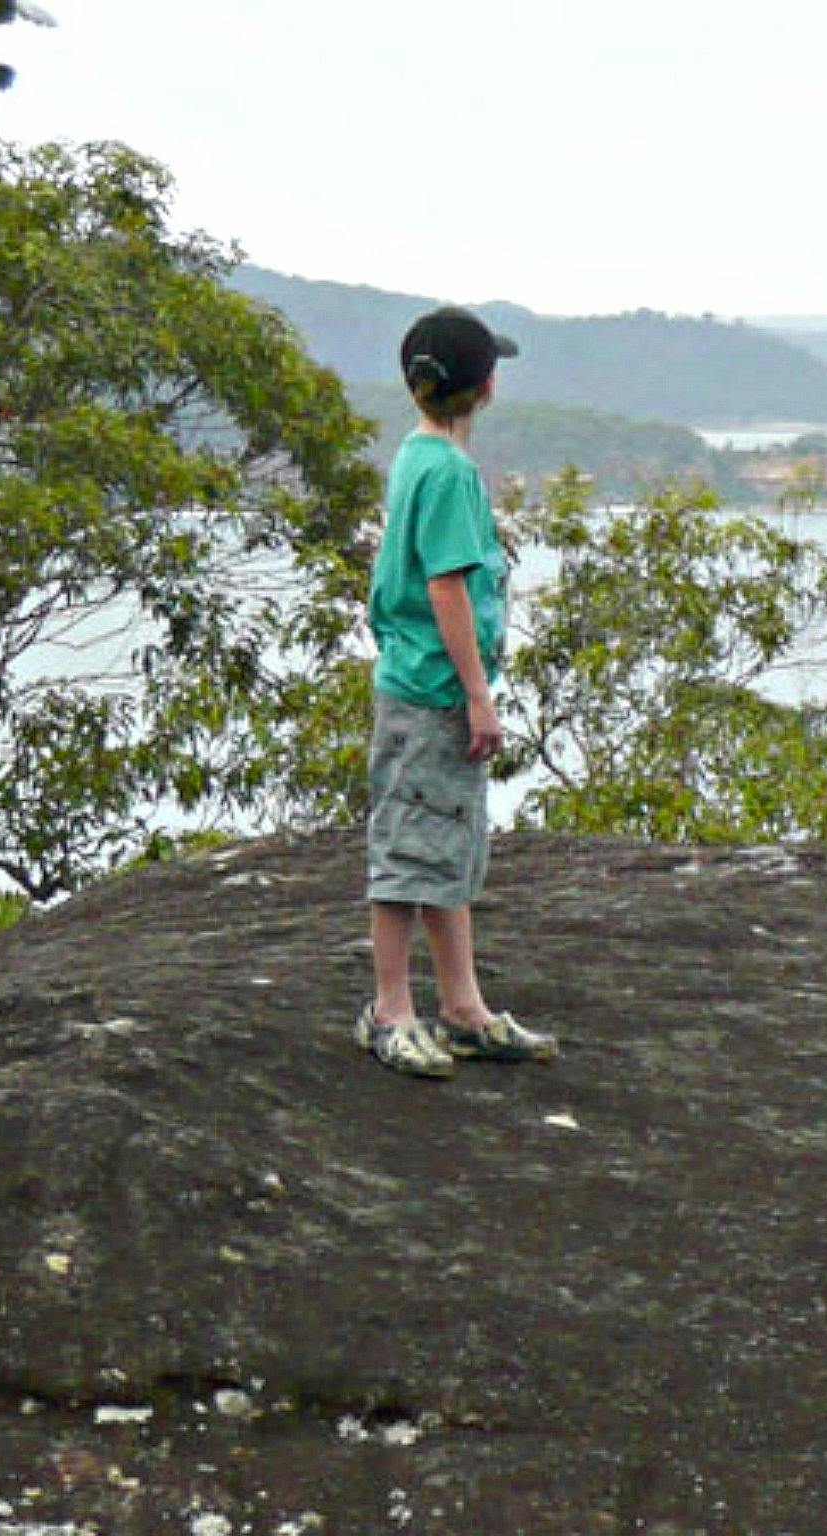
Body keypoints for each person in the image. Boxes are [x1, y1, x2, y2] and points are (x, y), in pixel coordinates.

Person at [356, 306, 558, 1077]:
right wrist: (479, 695)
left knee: (448, 849)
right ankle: (392, 1010)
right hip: (433, 689)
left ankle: (462, 1004)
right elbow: (446, 587)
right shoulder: (447, 472)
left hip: (424, 682)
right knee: (408, 852)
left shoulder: (418, 453)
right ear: (486, 387)